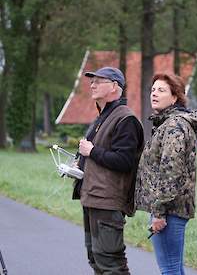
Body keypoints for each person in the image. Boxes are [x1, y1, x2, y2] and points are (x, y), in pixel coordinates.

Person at [76, 66, 144, 274]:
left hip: (108, 201)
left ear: (115, 86)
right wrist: (79, 165)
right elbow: (99, 156)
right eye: (92, 81)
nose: (93, 84)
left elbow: (124, 161)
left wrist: (92, 151)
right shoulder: (103, 116)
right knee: (96, 260)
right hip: (93, 198)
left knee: (111, 264)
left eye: (99, 81)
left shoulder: (126, 119)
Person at [135, 73, 197, 275]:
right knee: (173, 268)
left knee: (170, 269)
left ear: (175, 97)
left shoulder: (174, 126)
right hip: (171, 209)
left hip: (169, 211)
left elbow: (170, 172)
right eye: (153, 90)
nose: (154, 94)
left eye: (161, 90)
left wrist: (158, 212)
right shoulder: (168, 124)